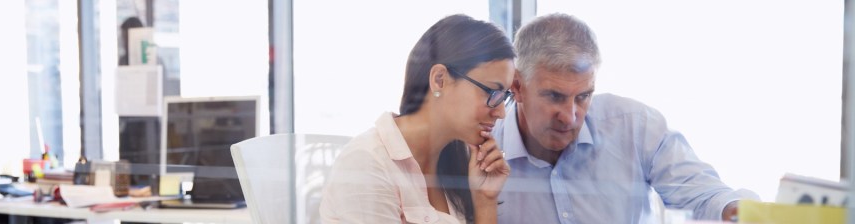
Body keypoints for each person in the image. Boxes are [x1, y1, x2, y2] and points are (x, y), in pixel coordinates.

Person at [493, 13, 750, 223]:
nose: (570, 117)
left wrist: (743, 214)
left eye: (583, 96)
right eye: (554, 96)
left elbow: (704, 196)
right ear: (517, 86)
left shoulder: (636, 127)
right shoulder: (485, 151)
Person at [320, 15, 514, 223]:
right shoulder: (366, 162)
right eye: (493, 93)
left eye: (505, 97)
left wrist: (485, 200)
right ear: (439, 80)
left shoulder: (460, 163)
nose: (501, 112)